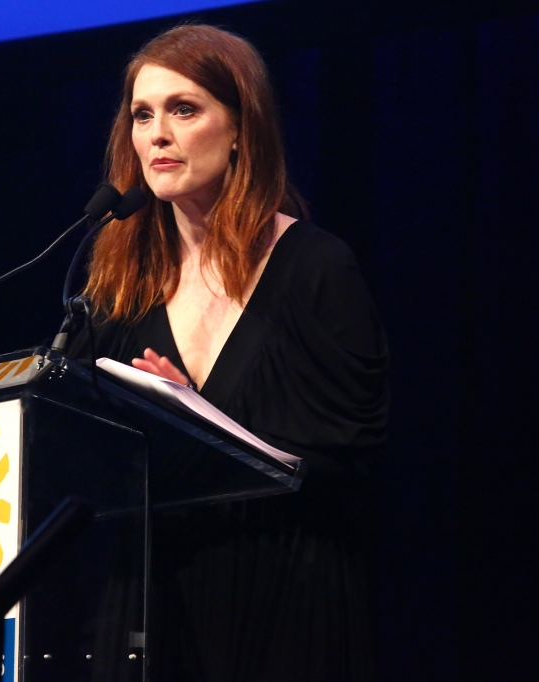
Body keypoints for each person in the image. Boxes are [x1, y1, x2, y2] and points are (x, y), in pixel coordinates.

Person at [76, 24, 389, 682]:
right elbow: (80, 441)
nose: (157, 133)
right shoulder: (117, 289)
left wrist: (197, 419)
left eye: (184, 110)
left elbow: (355, 452)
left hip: (284, 590)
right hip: (152, 596)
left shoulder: (315, 268)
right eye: (142, 114)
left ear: (242, 127)